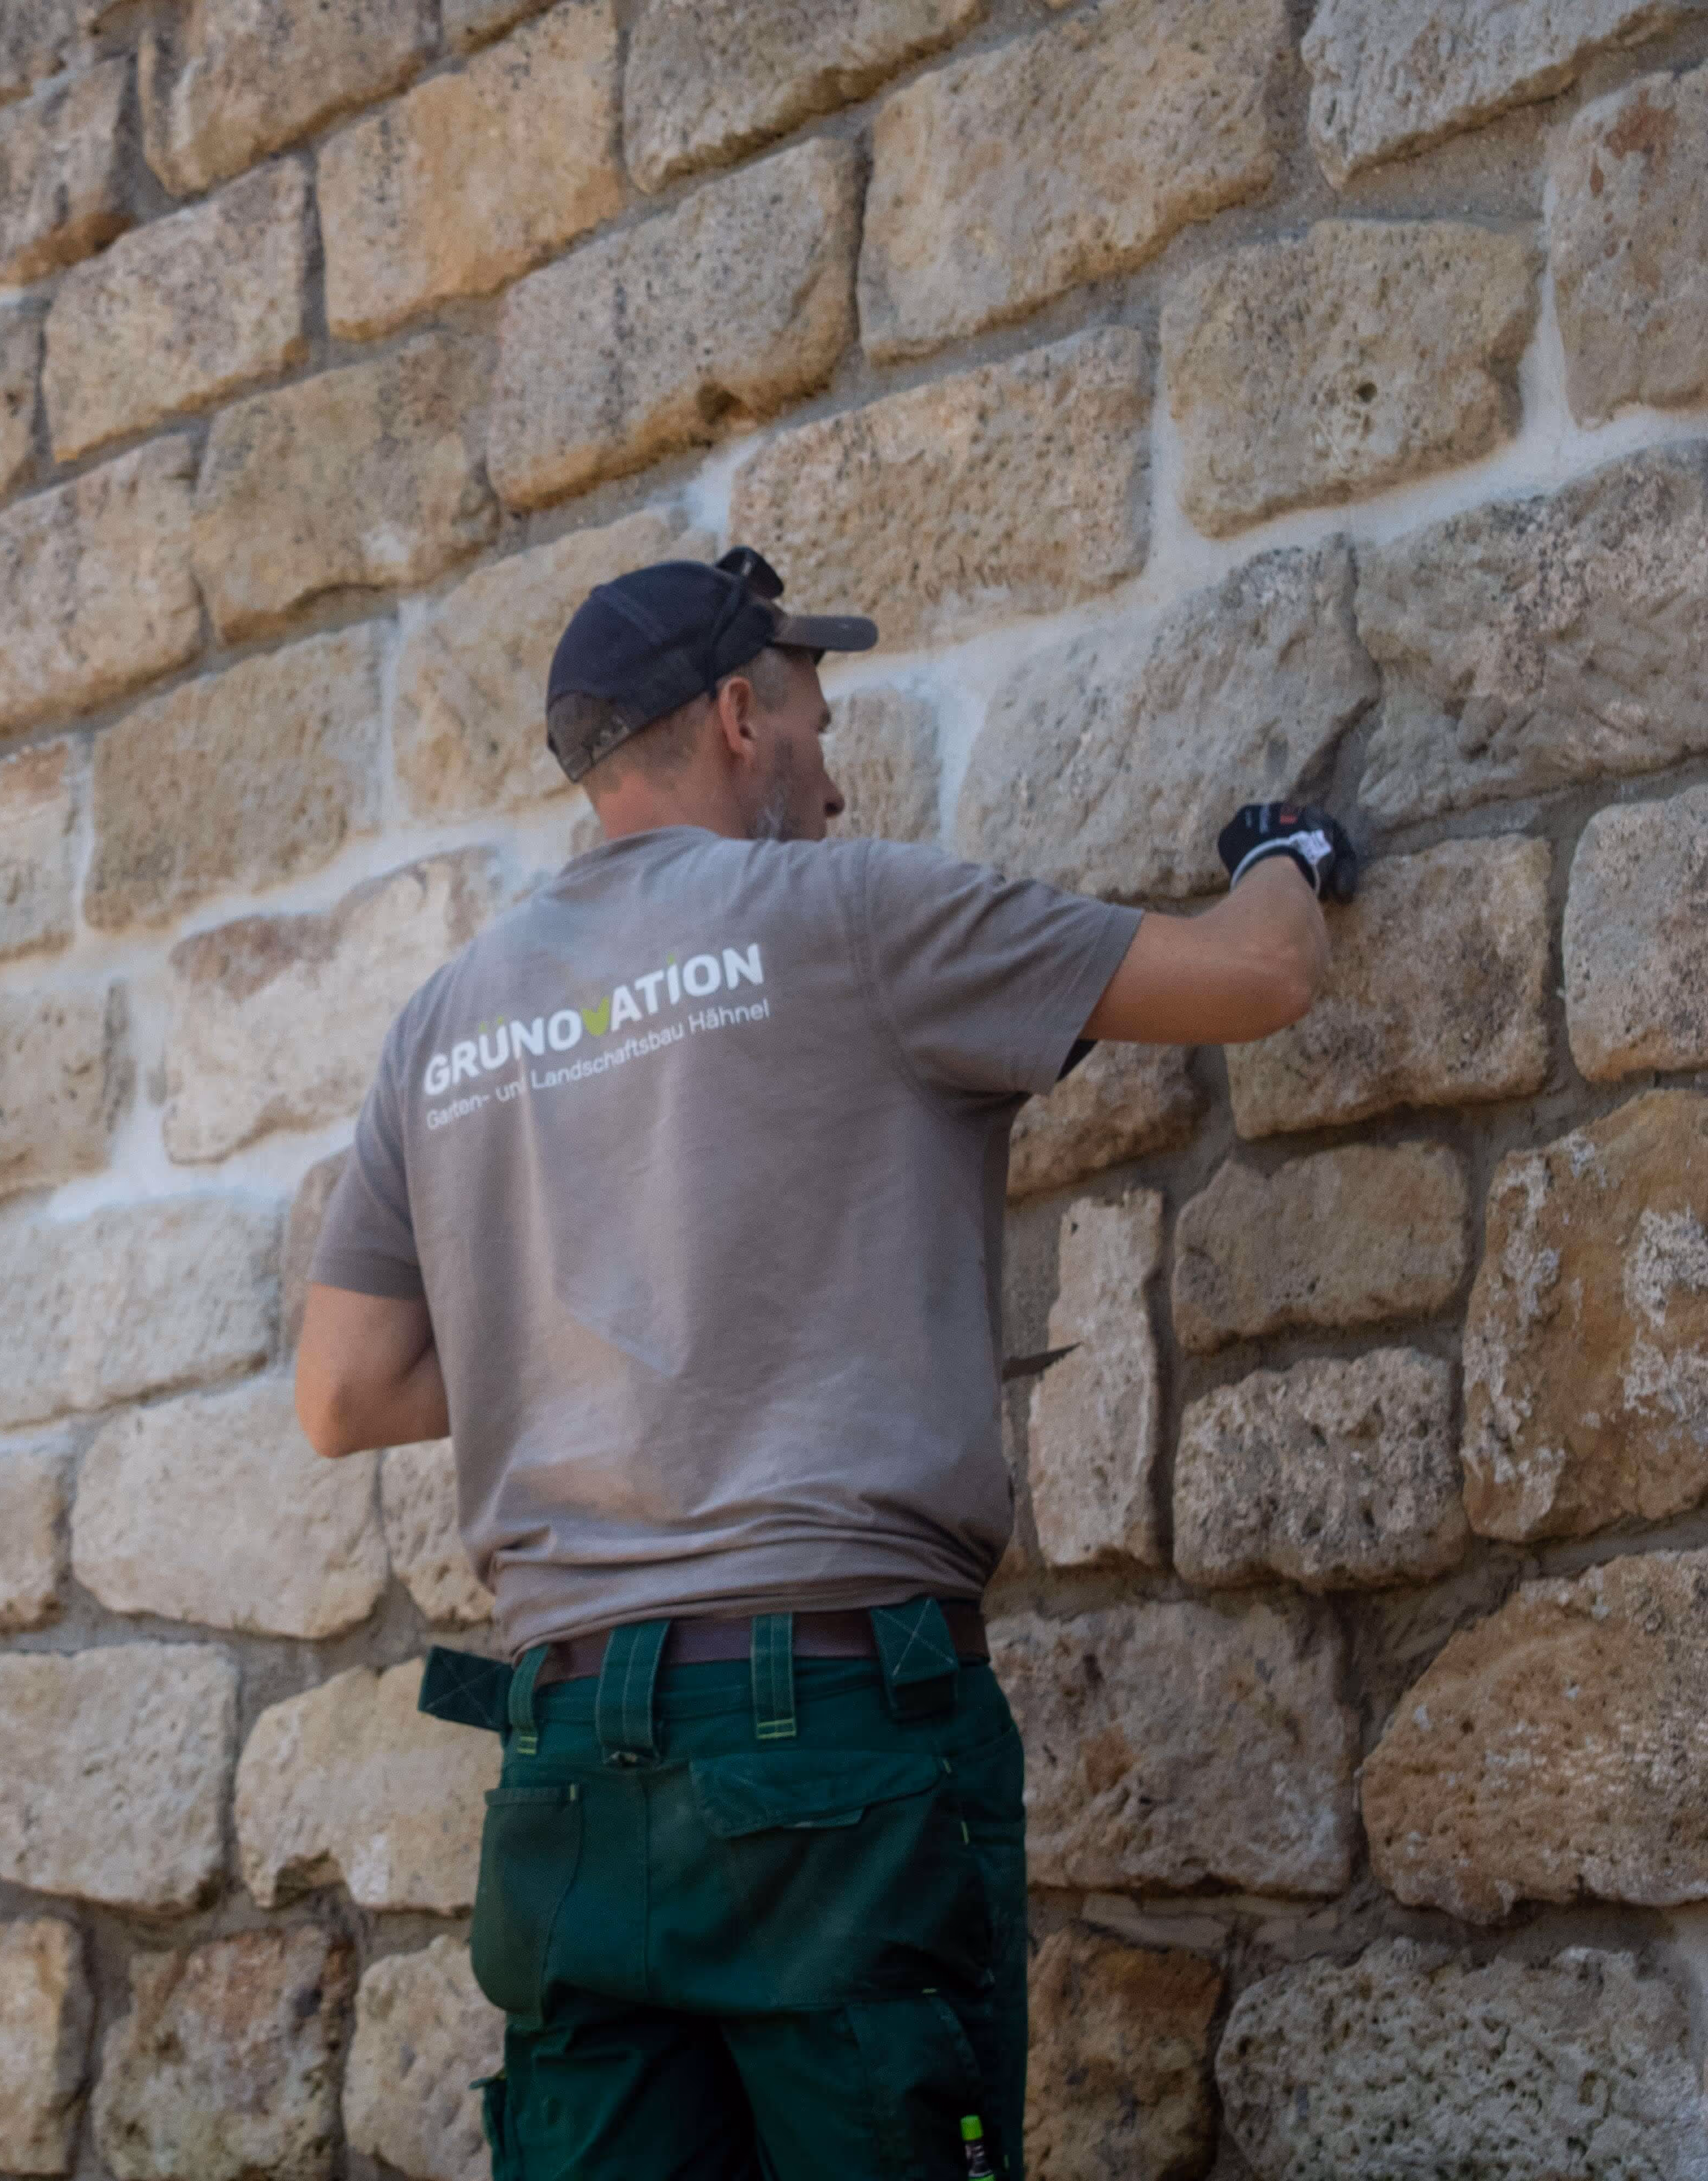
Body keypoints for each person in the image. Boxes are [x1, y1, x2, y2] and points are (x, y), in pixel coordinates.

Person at [291, 546, 1354, 2181]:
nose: (838, 777)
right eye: (816, 721)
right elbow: (1260, 978)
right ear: (735, 716)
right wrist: (1288, 853)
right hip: (830, 1741)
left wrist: (580, 1341)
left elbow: (343, 1391)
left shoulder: (448, 1022)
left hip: (569, 1767)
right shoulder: (855, 918)